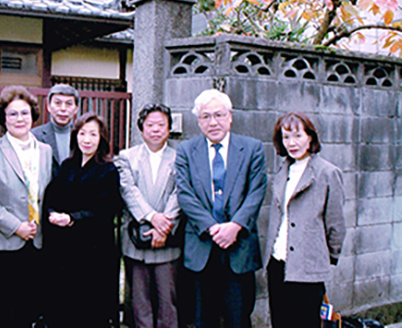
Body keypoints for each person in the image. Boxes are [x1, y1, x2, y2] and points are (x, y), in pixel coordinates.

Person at [175, 89, 267, 328]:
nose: (213, 122)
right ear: (198, 121)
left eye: (218, 115)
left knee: (239, 317)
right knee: (202, 319)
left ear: (230, 116)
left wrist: (235, 226)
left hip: (239, 246)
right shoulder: (186, 150)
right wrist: (212, 227)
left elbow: (256, 191)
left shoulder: (252, 148)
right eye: (205, 116)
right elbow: (185, 194)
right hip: (201, 245)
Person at [0, 85, 52, 328]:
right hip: (4, 240)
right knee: (0, 311)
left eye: (24, 113)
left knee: (28, 310)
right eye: (13, 114)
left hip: (37, 240)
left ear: (33, 115)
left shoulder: (44, 150)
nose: (20, 119)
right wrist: (16, 226)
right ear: (3, 118)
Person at [265, 112, 346, 328]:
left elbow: (336, 225)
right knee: (280, 323)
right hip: (277, 264)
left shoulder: (328, 173)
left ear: (310, 137)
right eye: (286, 137)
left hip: (308, 267)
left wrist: (324, 257)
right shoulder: (283, 170)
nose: (292, 143)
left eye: (298, 136)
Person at [42, 112, 122, 328]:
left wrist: (72, 218)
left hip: (94, 252)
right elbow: (51, 197)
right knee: (63, 308)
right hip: (63, 251)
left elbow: (107, 209)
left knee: (90, 311)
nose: (87, 139)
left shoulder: (108, 170)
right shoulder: (67, 166)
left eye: (93, 134)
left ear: (101, 138)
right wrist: (53, 213)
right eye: (82, 133)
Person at [116, 103, 182, 328]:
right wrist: (152, 217)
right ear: (141, 128)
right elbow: (128, 191)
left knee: (168, 300)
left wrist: (164, 225)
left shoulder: (180, 157)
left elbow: (179, 192)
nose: (155, 130)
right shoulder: (126, 157)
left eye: (161, 125)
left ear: (169, 128)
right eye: (150, 125)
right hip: (137, 238)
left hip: (168, 238)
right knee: (139, 302)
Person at [31, 83, 79, 175]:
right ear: (48, 106)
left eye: (69, 104)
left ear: (76, 108)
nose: (63, 109)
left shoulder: (82, 136)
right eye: (57, 103)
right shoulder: (34, 136)